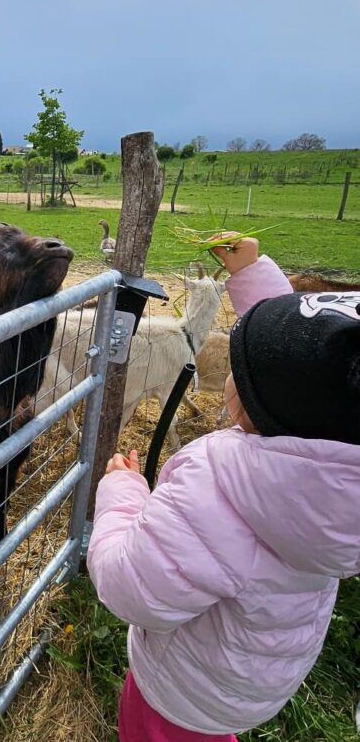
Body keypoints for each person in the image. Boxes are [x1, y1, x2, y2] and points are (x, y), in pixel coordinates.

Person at [87, 234, 360, 741]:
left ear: (249, 406)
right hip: (251, 679)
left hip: (179, 689)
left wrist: (122, 493)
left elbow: (131, 587)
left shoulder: (219, 490)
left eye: (239, 366)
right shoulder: (335, 473)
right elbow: (316, 360)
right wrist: (253, 273)